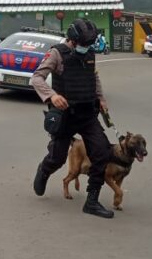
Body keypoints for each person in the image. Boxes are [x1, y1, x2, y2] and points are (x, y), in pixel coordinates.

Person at [30, 18, 115, 219]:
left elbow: (94, 78)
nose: (86, 48)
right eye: (84, 44)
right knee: (57, 158)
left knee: (102, 152)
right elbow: (37, 78)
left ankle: (92, 201)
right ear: (73, 39)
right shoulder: (57, 54)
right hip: (65, 115)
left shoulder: (90, 54)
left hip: (87, 114)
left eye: (89, 44)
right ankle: (44, 170)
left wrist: (101, 98)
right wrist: (52, 95)